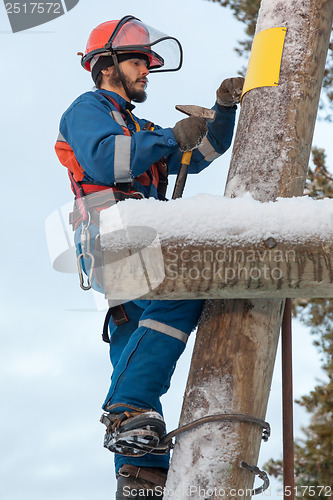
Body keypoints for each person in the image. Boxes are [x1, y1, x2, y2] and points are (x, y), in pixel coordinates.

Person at [55, 15, 244, 499]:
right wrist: (168, 138)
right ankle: (127, 406)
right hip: (113, 236)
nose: (146, 72)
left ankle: (140, 473)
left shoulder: (140, 127)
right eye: (138, 61)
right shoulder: (88, 109)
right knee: (183, 295)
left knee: (135, 348)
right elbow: (103, 160)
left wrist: (223, 112)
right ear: (106, 65)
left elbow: (200, 150)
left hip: (138, 242)